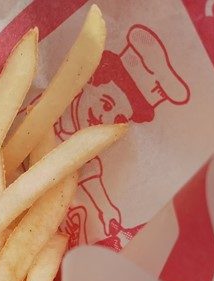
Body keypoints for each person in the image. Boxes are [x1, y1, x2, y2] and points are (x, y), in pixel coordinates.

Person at [54, 25, 190, 250]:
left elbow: (93, 182)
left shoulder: (87, 157)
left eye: (117, 118)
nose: (104, 118)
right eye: (106, 103)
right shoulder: (50, 113)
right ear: (91, 83)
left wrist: (108, 212)